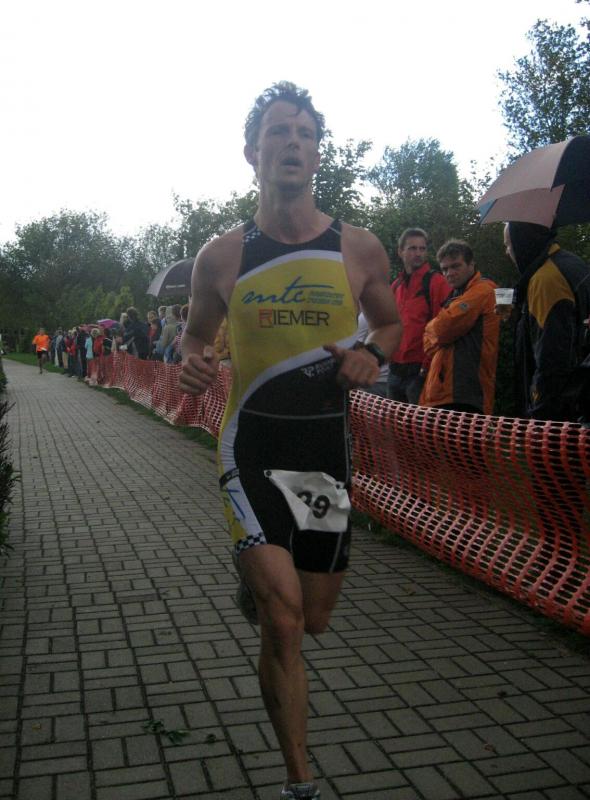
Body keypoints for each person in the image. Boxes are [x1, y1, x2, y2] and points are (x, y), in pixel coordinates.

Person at [178, 82, 401, 800]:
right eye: (279, 131)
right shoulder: (221, 256)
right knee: (284, 621)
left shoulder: (358, 248)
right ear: (253, 152)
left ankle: (260, 586)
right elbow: (193, 337)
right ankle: (300, 784)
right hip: (249, 448)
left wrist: (373, 355)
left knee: (316, 617)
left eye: (305, 133)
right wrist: (192, 361)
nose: (293, 142)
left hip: (321, 460)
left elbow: (391, 324)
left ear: (317, 154)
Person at [504, 222, 590, 421]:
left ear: (523, 242)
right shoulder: (571, 262)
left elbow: (551, 357)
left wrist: (539, 414)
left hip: (561, 411)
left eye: (509, 245)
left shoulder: (545, 280)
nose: (507, 252)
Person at [420, 239, 500, 414]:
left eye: (456, 266)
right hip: (447, 389)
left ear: (471, 264)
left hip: (467, 390)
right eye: (445, 269)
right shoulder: (457, 294)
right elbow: (428, 344)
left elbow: (442, 329)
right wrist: (435, 331)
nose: (450, 273)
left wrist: (431, 328)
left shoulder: (483, 290)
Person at [388, 228, 450, 403]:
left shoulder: (436, 282)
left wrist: (427, 366)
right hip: (395, 370)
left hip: (420, 371)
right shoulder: (396, 285)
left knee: (420, 421)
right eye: (412, 248)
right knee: (395, 421)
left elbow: (444, 329)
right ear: (400, 252)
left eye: (422, 248)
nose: (418, 253)